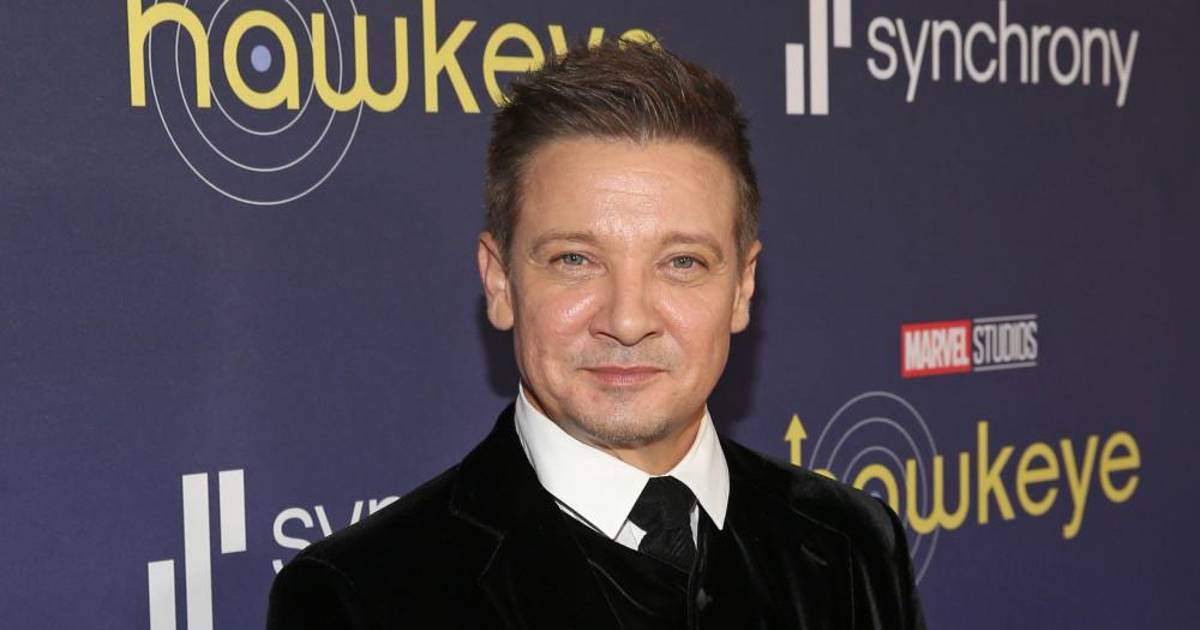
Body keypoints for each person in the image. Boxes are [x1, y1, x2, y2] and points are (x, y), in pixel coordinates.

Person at [267, 40, 925, 629]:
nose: (627, 320)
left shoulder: (851, 545)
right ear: (500, 283)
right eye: (575, 259)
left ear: (742, 288)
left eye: (682, 262)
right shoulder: (360, 599)